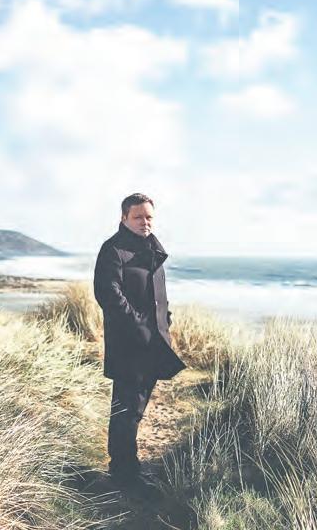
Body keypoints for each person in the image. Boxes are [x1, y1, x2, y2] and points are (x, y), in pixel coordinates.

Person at [93, 193, 186, 489]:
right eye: (138, 217)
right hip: (129, 345)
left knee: (136, 408)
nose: (145, 222)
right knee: (126, 410)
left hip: (152, 342)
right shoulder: (113, 250)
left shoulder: (152, 248)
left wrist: (165, 321)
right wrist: (140, 327)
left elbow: (157, 295)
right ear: (124, 218)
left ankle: (128, 468)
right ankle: (123, 474)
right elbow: (109, 295)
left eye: (149, 217)